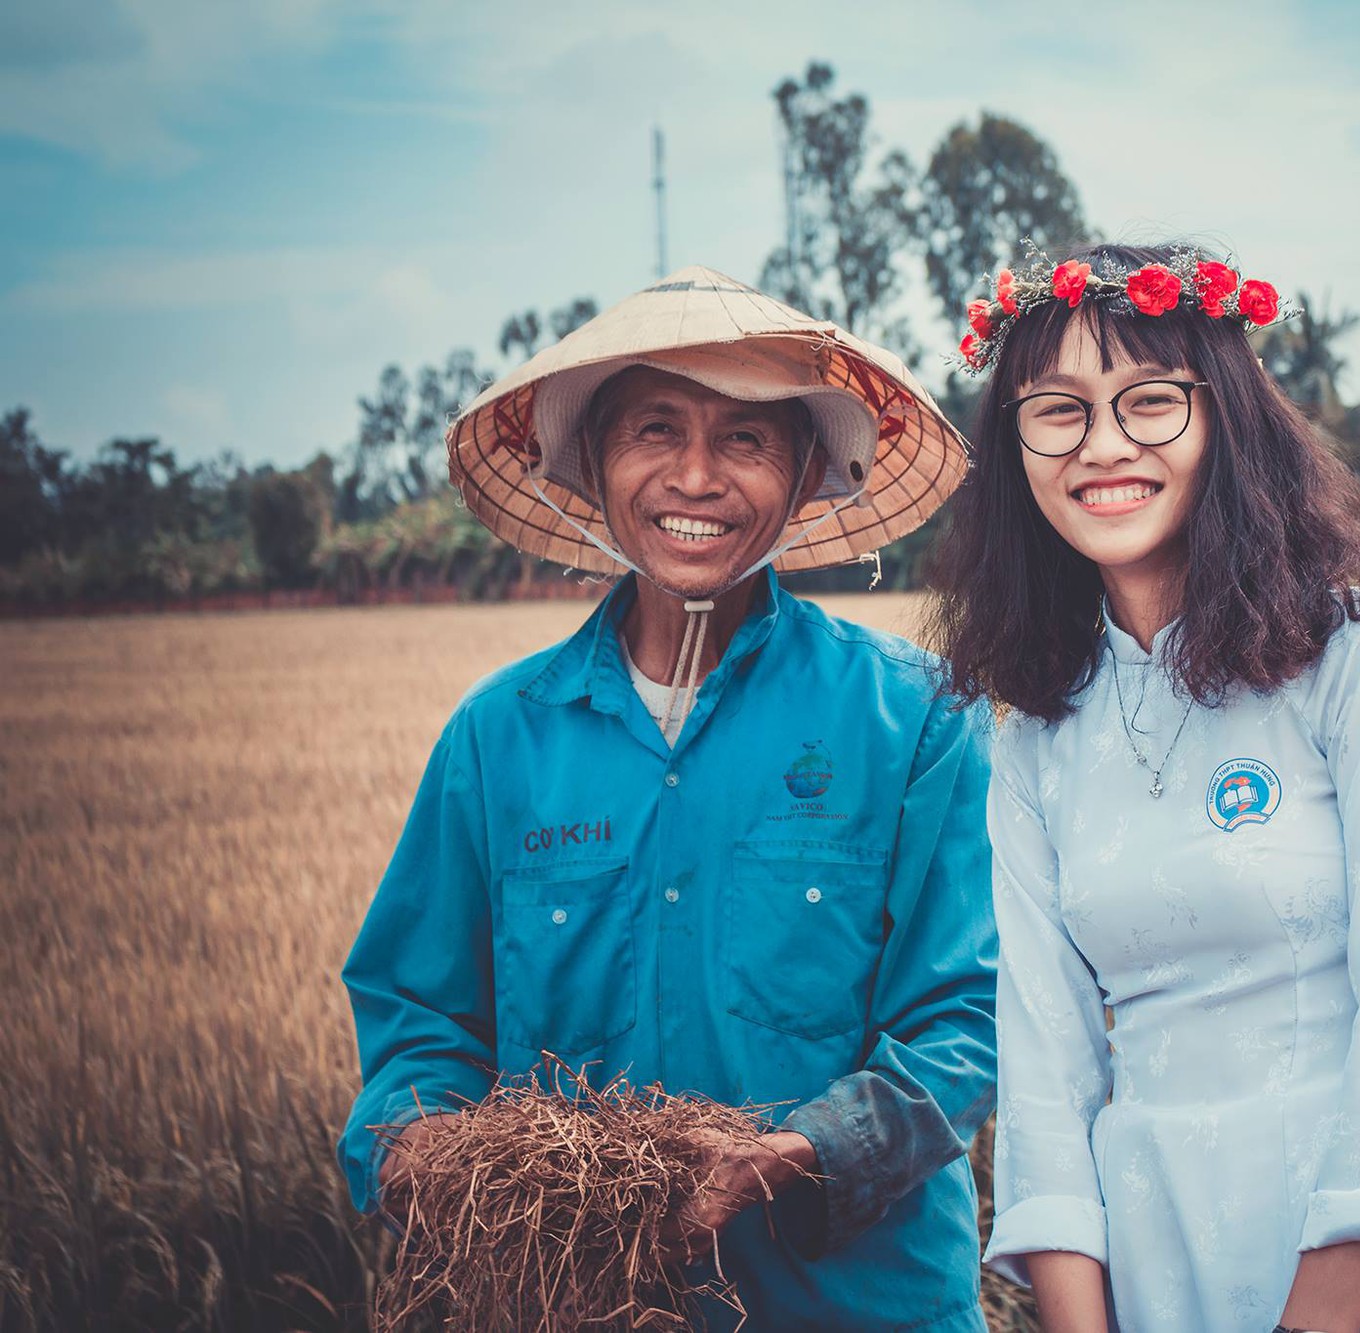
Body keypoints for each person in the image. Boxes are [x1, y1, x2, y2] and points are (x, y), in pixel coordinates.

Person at [339, 267, 998, 1332]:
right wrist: (416, 1146)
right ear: (594, 467)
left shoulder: (914, 720)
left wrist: (799, 1153)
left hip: (856, 1305)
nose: (695, 476)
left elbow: (969, 1016)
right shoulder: (500, 736)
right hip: (575, 1307)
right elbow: (422, 1017)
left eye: (746, 439)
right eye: (655, 430)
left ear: (802, 479)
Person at [926, 242, 1360, 1333]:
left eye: (1148, 401)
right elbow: (1044, 1071)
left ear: (1223, 418)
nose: (1101, 447)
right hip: (1150, 1262)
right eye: (1055, 412)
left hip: (1359, 1258)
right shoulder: (1035, 726)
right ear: (1013, 449)